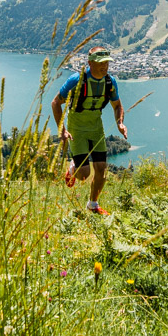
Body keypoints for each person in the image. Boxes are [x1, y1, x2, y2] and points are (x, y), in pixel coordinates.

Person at [51, 47, 128, 215]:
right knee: (84, 174)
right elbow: (56, 103)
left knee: (101, 168)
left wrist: (119, 123)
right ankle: (73, 169)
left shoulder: (110, 82)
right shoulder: (76, 80)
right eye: (101, 63)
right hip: (76, 128)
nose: (105, 66)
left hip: (96, 127)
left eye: (107, 62)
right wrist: (62, 130)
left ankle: (93, 204)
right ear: (90, 63)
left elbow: (117, 105)